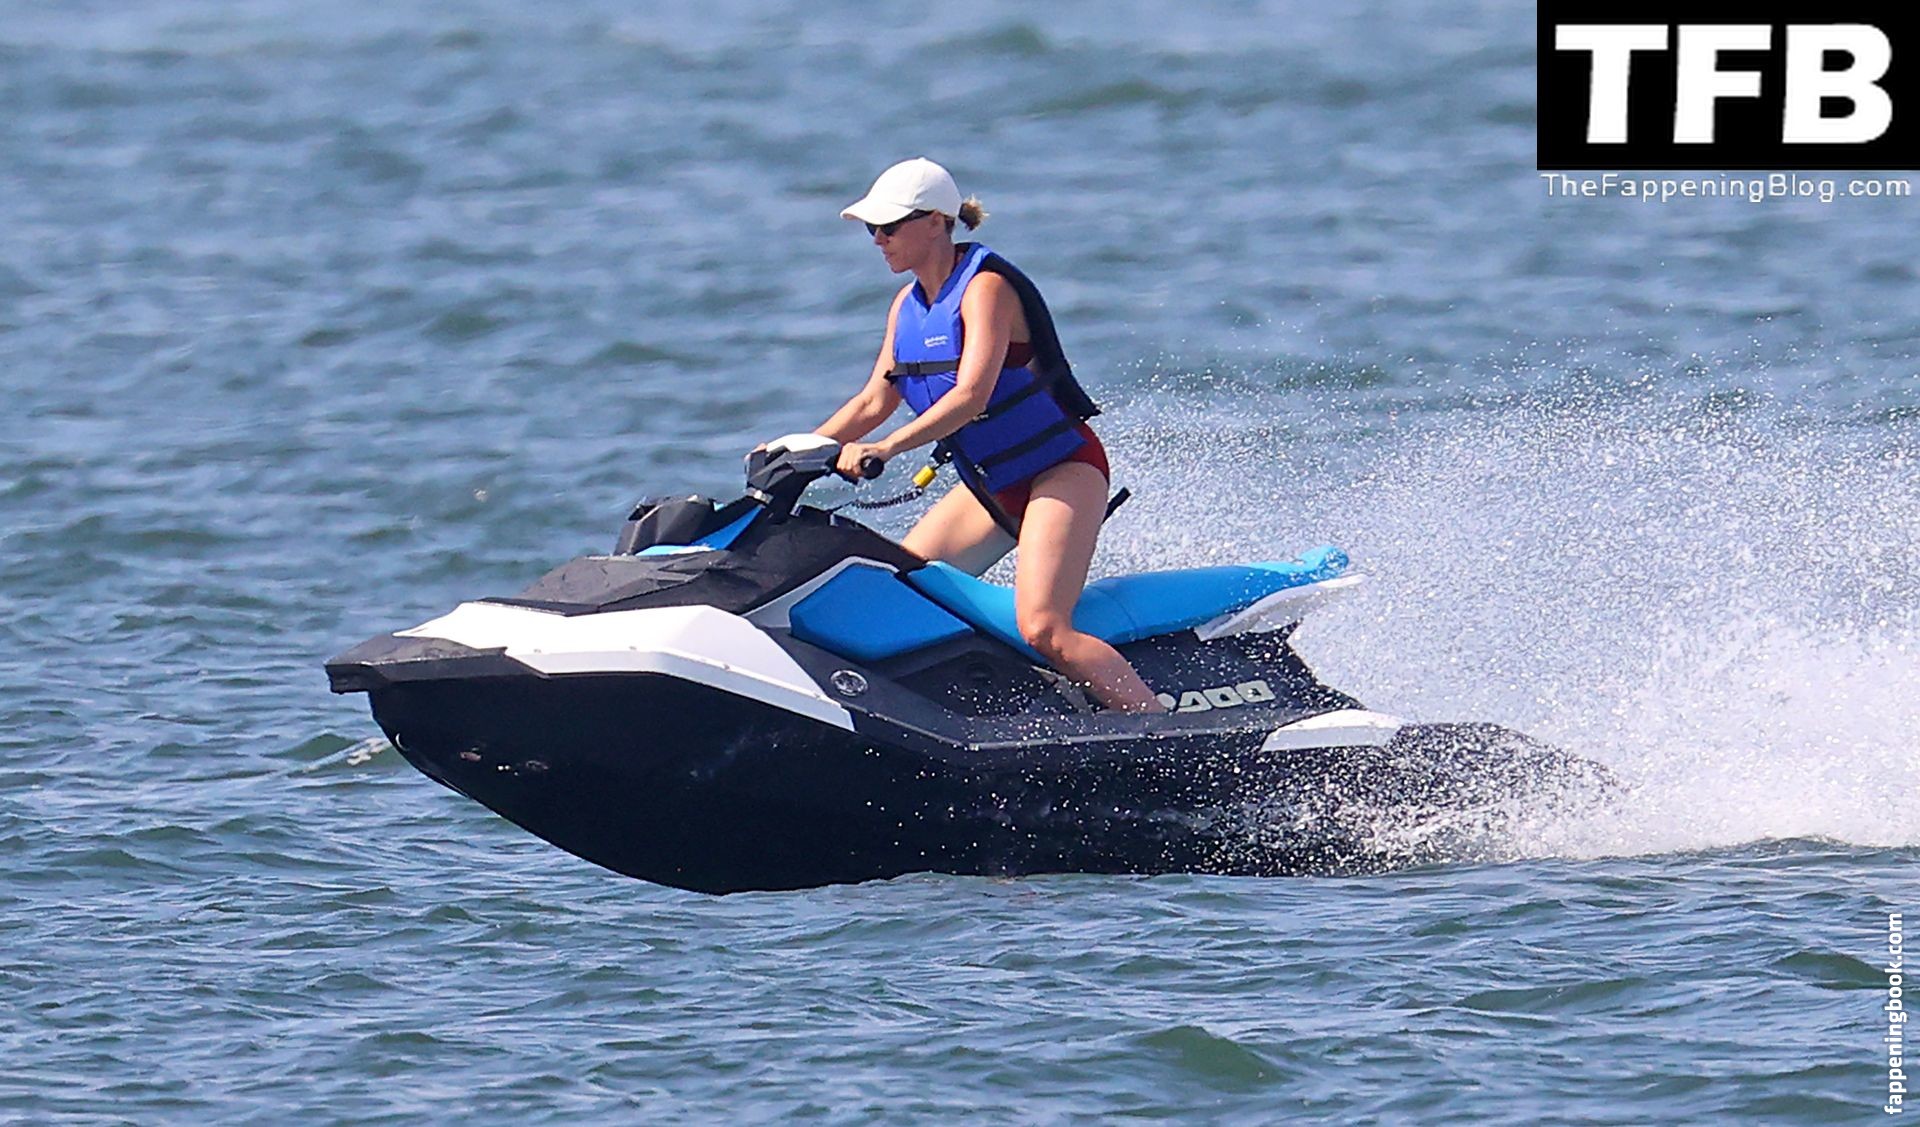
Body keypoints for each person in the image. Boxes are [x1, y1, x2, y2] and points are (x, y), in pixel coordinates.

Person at [801, 157, 1164, 714]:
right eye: (872, 228)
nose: (877, 240)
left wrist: (887, 447)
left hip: (1059, 471)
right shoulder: (906, 306)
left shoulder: (985, 288)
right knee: (901, 595)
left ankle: (1156, 728)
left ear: (935, 222)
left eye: (889, 226)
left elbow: (971, 395)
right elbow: (876, 400)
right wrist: (800, 448)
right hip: (992, 484)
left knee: (1044, 627)